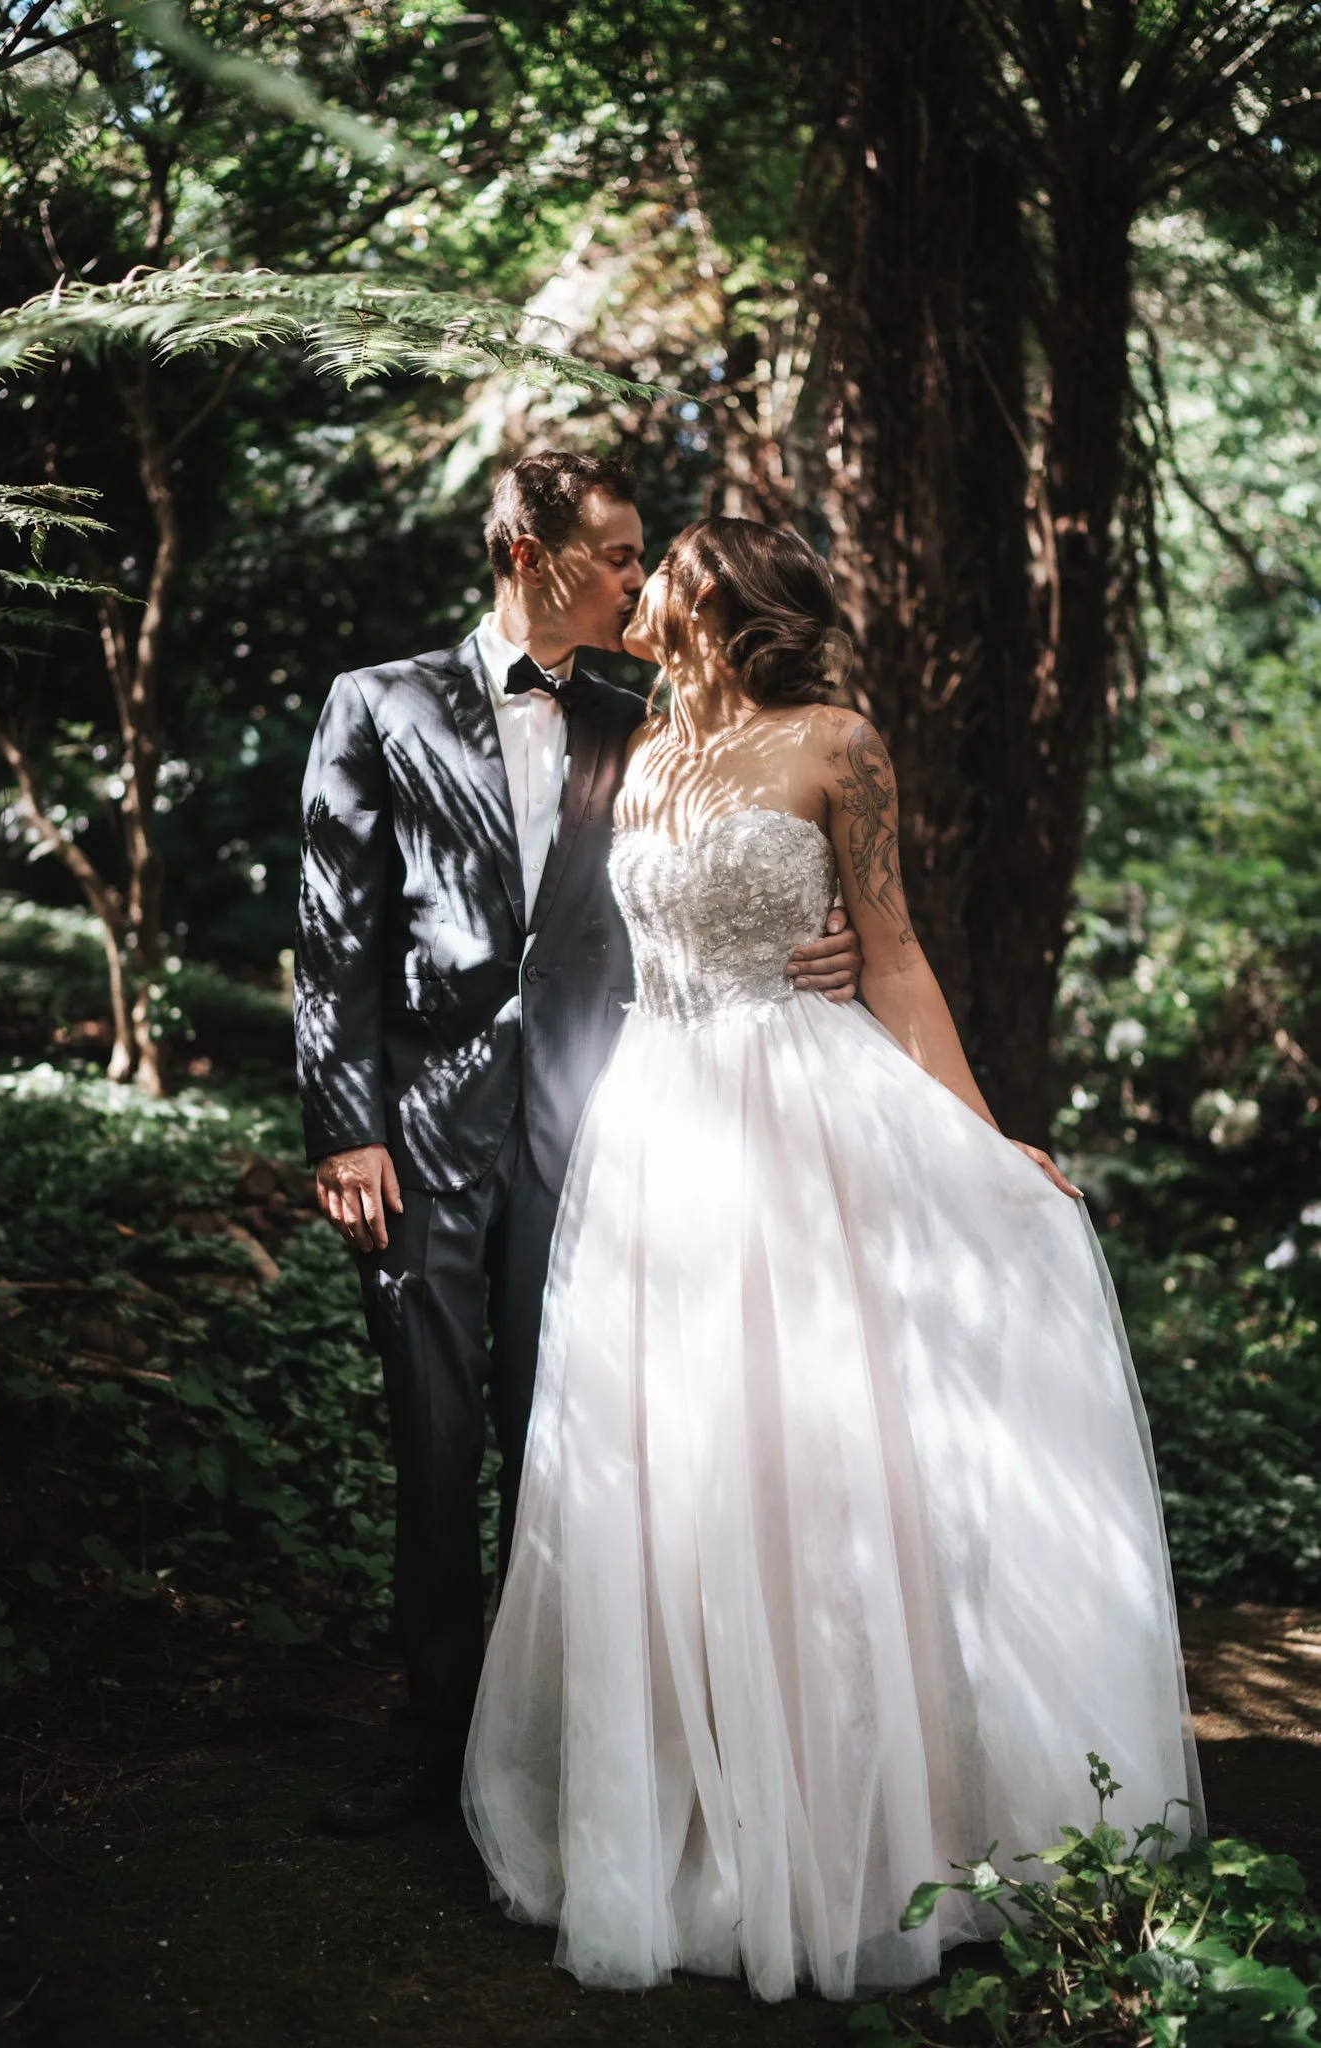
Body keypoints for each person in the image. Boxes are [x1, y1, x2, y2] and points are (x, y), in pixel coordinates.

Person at [462, 517, 1204, 2001]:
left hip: (805, 1124)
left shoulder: (836, 743)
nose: (639, 583)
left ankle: (864, 1835)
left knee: (820, 1465)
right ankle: (701, 1820)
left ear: (719, 599)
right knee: (674, 1469)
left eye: (661, 565)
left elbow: (896, 948)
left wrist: (987, 1142)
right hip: (660, 1133)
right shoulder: (647, 748)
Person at [293, 459, 862, 1833]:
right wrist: (346, 1127)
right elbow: (333, 932)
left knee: (582, 1443)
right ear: (524, 552)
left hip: (605, 1131)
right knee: (433, 1447)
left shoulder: (652, 717)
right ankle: (431, 1737)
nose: (632, 578)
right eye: (611, 554)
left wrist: (816, 955)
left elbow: (730, 857)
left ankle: (556, 1743)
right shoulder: (375, 703)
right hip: (422, 1136)